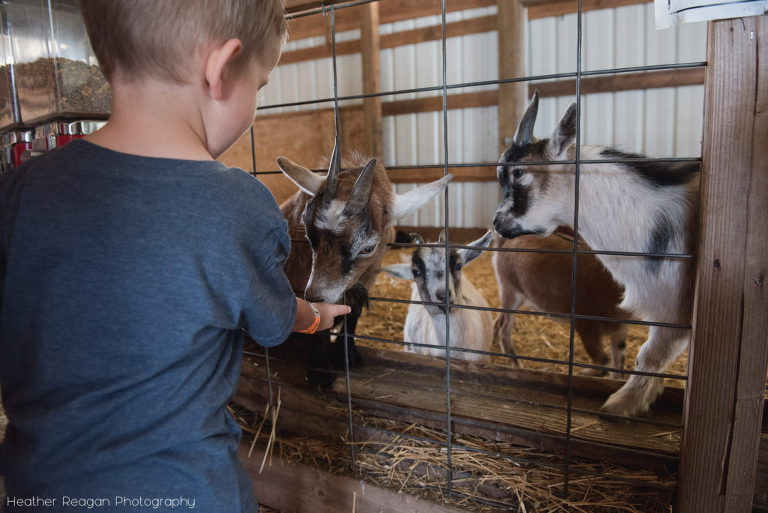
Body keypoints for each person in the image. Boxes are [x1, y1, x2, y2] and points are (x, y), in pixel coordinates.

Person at [0, 1, 350, 511]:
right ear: (220, 69)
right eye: (259, 84)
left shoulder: (18, 193)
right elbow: (275, 322)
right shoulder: (236, 206)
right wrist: (315, 317)